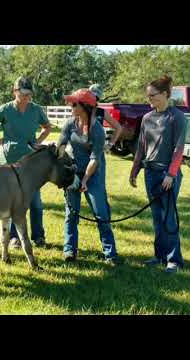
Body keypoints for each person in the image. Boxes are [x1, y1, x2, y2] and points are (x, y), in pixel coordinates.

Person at [0, 76, 52, 249]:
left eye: (30, 94)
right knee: (11, 203)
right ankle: (14, 238)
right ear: (15, 92)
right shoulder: (6, 109)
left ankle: (38, 236)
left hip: (29, 164)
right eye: (24, 93)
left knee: (35, 202)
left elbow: (47, 127)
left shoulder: (36, 109)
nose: (28, 97)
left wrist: (38, 142)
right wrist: (1, 142)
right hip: (8, 163)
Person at [129, 75, 187, 274]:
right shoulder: (147, 118)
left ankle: (174, 261)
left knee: (169, 217)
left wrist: (171, 174)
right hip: (150, 173)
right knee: (156, 217)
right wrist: (134, 170)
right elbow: (142, 147)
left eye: (152, 95)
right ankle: (159, 256)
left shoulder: (177, 117)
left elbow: (179, 149)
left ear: (164, 94)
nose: (149, 99)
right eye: (147, 96)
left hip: (167, 175)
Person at [57, 88, 120, 265]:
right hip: (73, 172)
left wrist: (84, 180)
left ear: (85, 107)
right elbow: (61, 145)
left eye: (74, 103)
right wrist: (63, 168)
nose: (71, 106)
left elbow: (95, 159)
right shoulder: (70, 123)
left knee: (101, 214)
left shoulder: (97, 130)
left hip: (93, 175)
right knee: (71, 214)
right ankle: (69, 249)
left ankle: (110, 253)